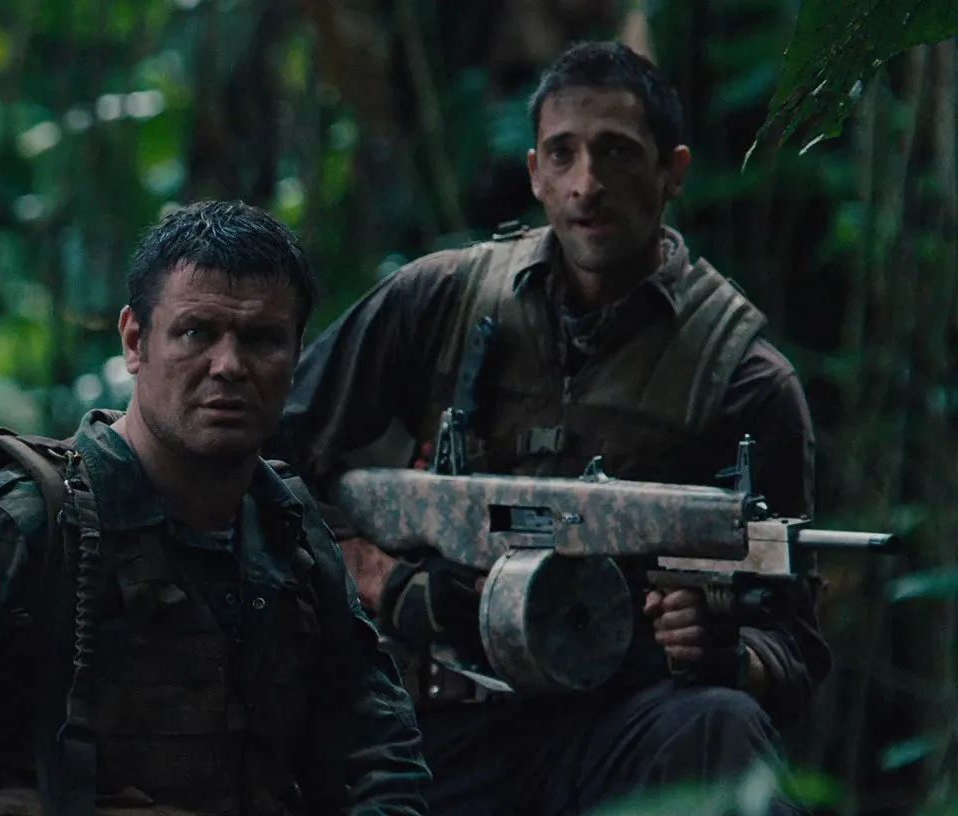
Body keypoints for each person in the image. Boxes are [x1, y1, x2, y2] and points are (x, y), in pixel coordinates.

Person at [269, 41, 829, 815]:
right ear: (534, 172)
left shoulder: (743, 376)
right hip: (429, 720)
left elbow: (794, 646)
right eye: (563, 154)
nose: (586, 184)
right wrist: (372, 572)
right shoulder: (441, 299)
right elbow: (266, 456)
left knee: (722, 728)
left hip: (618, 727)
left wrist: (727, 653)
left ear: (672, 172)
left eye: (617, 153)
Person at [0, 200, 432, 816]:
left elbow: (383, 756)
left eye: (263, 339)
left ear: (297, 353)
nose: (229, 366)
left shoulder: (288, 532)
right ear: (136, 341)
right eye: (196, 332)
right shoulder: (20, 524)